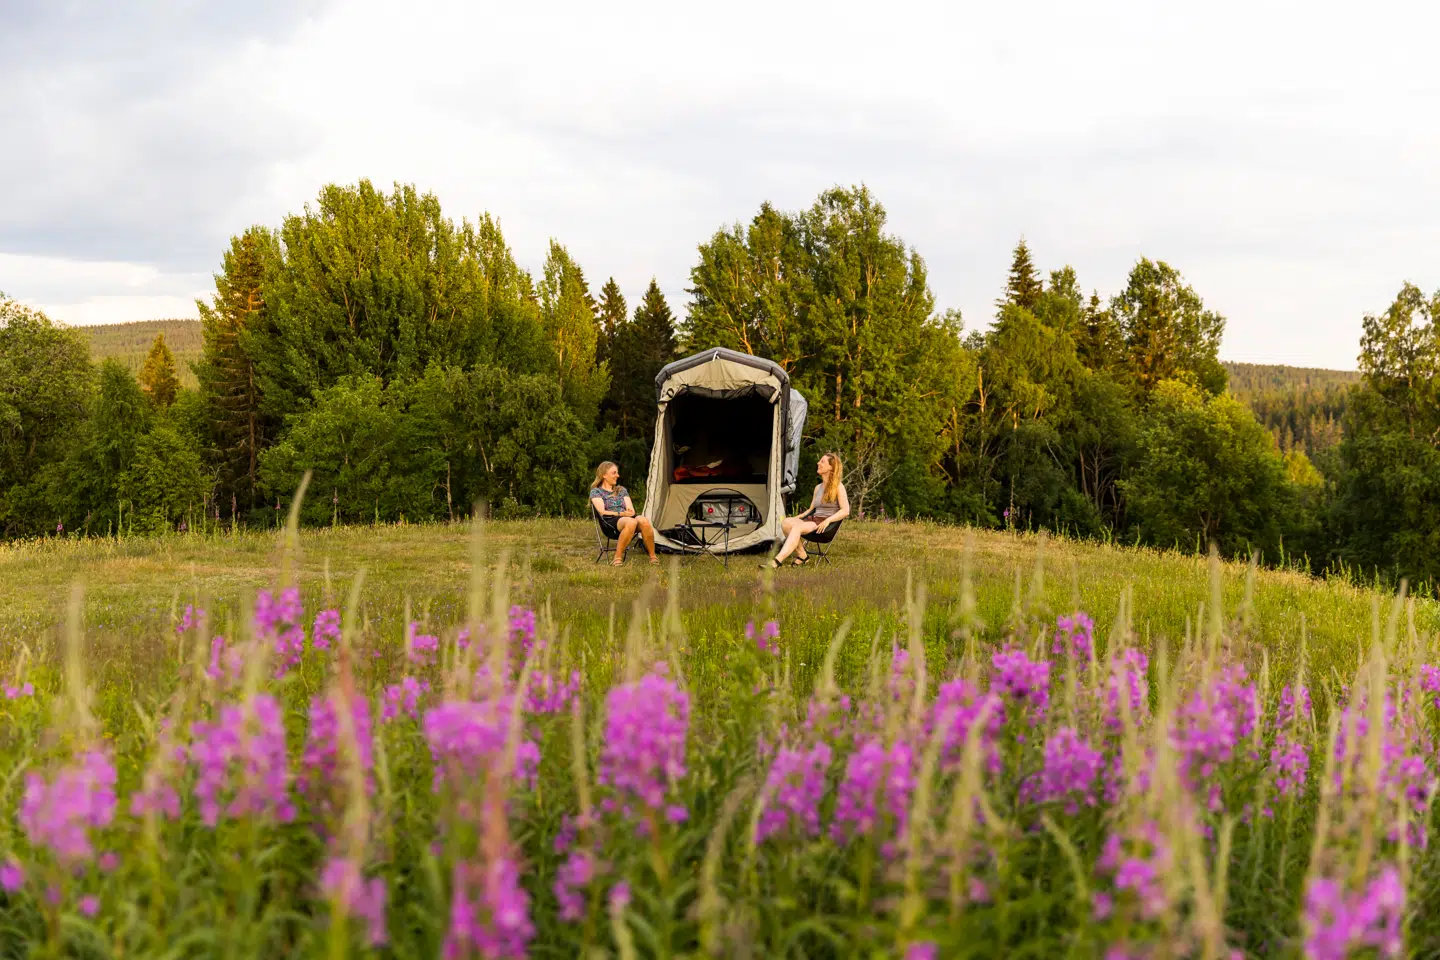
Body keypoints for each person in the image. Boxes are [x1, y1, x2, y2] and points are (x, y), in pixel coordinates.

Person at [762, 452, 849, 568]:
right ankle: (803, 556)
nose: (818, 463)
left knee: (797, 527)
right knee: (786, 522)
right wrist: (799, 517)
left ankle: (777, 561)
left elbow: (845, 511)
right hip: (813, 520)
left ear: (831, 467)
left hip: (825, 526)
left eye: (822, 461)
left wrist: (828, 521)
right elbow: (812, 509)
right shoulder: (817, 488)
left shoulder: (839, 487)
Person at [589, 462, 658, 566]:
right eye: (614, 473)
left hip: (628, 517)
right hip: (610, 521)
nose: (618, 475)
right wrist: (622, 513)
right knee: (631, 522)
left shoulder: (621, 490)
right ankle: (617, 558)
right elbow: (602, 511)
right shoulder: (596, 492)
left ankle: (653, 557)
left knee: (643, 521)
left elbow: (632, 511)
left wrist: (627, 513)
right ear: (604, 475)